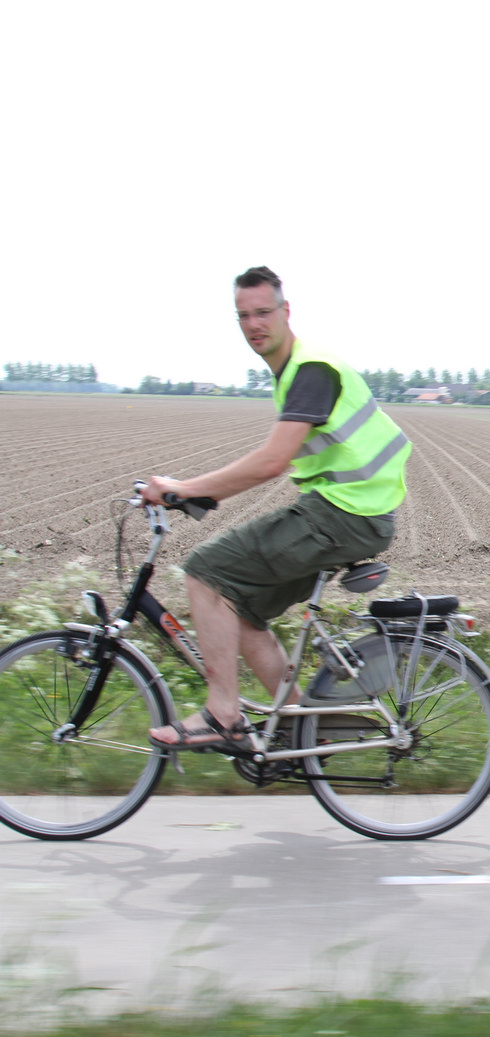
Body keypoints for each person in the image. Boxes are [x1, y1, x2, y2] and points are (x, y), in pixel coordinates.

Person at [143, 266, 412, 753]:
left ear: (286, 311)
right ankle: (302, 729)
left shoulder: (311, 370)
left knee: (205, 571)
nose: (254, 324)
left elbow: (272, 462)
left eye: (263, 312)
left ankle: (223, 714)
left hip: (345, 515)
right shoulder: (294, 372)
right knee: (242, 611)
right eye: (243, 316)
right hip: (351, 513)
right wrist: (200, 492)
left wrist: (184, 489)